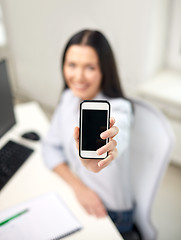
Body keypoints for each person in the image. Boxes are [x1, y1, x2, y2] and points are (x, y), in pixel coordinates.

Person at [42, 29, 141, 240]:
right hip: (79, 196)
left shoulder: (120, 110)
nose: (78, 76)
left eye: (90, 67)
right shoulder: (69, 98)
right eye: (72, 65)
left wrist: (109, 148)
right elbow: (50, 147)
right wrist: (78, 187)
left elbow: (117, 136)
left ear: (104, 70)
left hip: (111, 213)